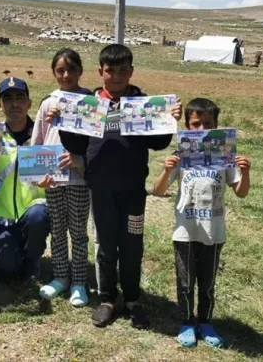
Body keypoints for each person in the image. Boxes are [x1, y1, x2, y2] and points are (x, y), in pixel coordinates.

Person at [56, 44, 179, 329]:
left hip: (134, 190)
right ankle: (108, 299)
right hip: (101, 189)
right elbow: (76, 145)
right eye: (111, 70)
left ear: (131, 71)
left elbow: (158, 143)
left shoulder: (142, 101)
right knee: (106, 245)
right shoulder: (89, 102)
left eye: (124, 70)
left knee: (132, 245)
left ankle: (133, 300)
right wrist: (63, 124)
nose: (117, 76)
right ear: (101, 72)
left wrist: (168, 120)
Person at [152, 97, 251, 348]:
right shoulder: (180, 156)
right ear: (186, 125)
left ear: (216, 125)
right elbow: (158, 191)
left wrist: (245, 172)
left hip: (214, 232)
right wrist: (166, 170)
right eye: (195, 124)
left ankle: (205, 321)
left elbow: (240, 191)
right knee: (185, 282)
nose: (201, 129)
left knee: (207, 283)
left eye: (207, 124)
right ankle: (186, 321)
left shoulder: (225, 156)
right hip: (185, 231)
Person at [31, 48, 92, 307]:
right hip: (53, 179)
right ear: (53, 72)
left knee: (78, 232)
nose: (66, 75)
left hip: (79, 179)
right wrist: (37, 176)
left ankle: (79, 282)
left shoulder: (90, 101)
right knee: (57, 230)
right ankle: (59, 278)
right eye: (60, 70)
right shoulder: (48, 101)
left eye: (71, 69)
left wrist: (81, 162)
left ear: (80, 71)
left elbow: (96, 143)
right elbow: (38, 141)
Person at [0, 77, 51, 281]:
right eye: (8, 99)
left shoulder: (41, 135)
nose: (14, 104)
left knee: (38, 216)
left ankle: (33, 258)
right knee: (4, 268)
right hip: (2, 214)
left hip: (34, 209)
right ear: (0, 104)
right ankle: (14, 253)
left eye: (20, 98)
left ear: (29, 103)